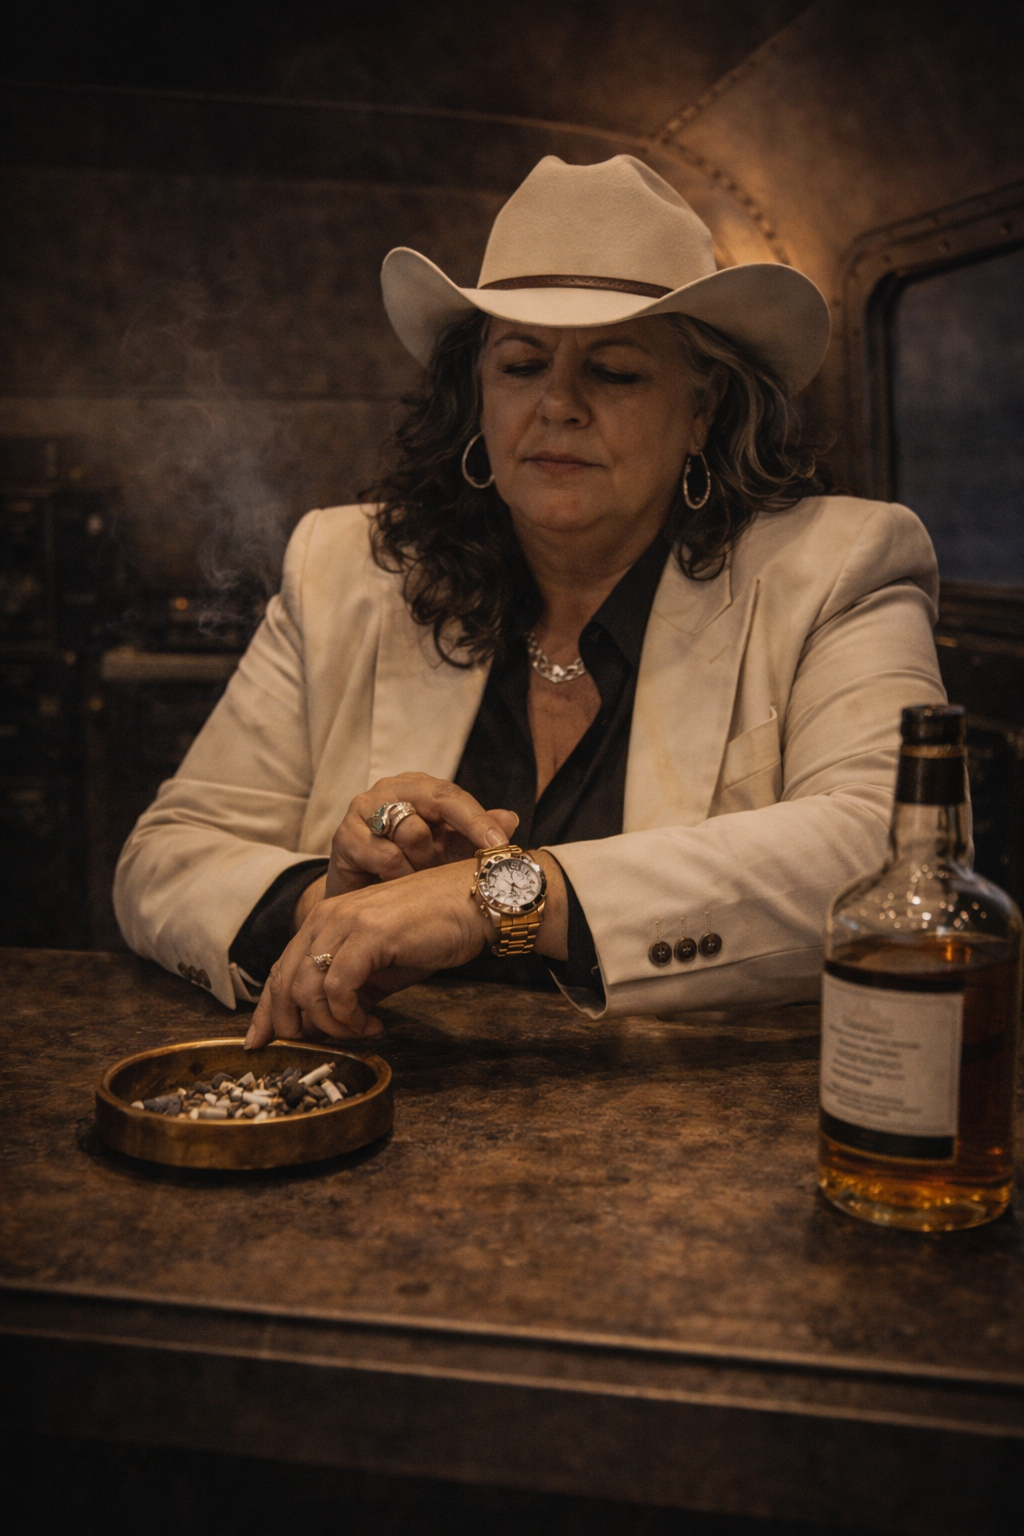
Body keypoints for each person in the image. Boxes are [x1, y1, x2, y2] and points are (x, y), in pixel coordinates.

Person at [114, 154, 945, 1048]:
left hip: (688, 1132)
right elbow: (165, 855)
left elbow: (894, 855)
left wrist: (496, 898)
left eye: (616, 372)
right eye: (520, 365)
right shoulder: (345, 567)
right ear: (476, 396)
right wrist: (334, 909)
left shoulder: (841, 563)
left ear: (702, 408)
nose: (558, 404)